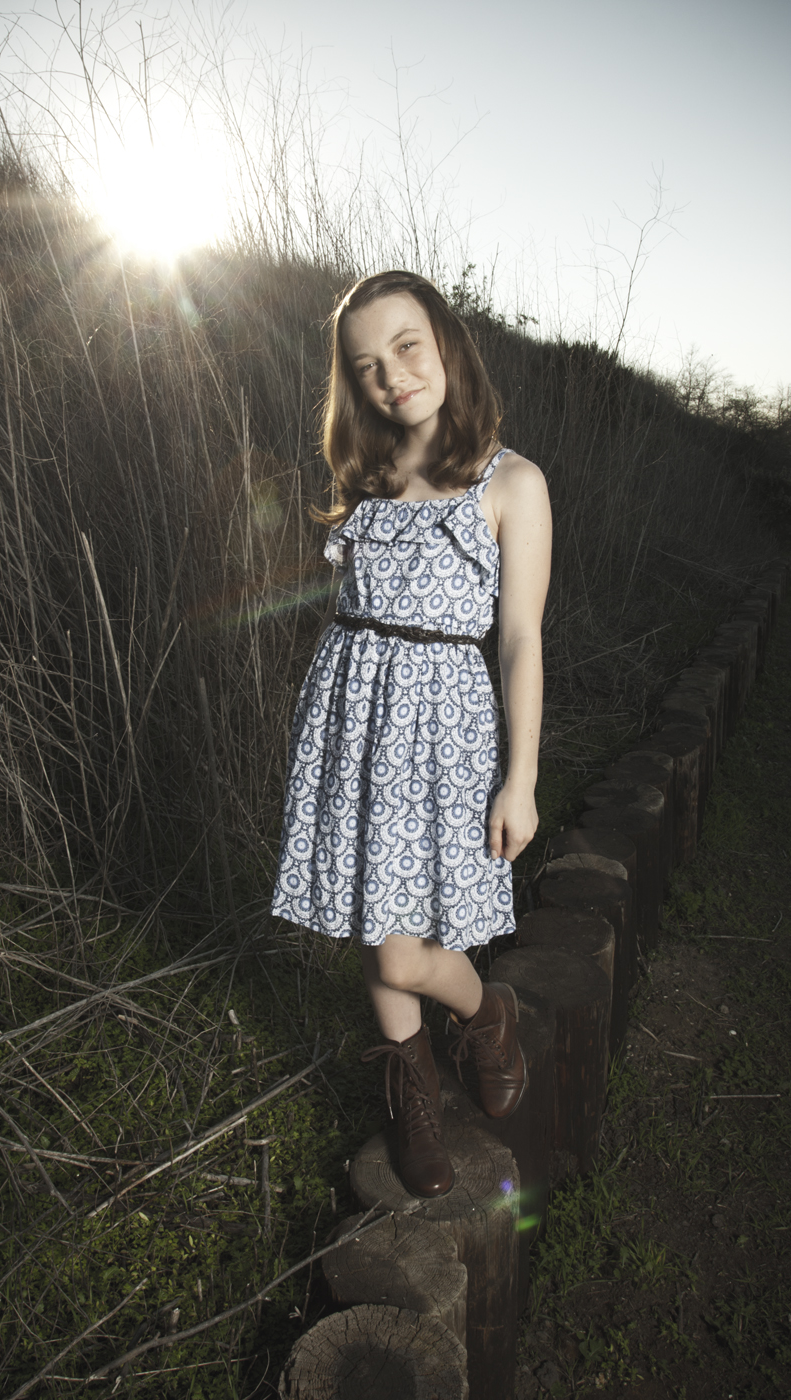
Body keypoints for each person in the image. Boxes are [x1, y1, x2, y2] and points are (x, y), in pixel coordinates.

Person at [271, 270, 551, 1197]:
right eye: (367, 366)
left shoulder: (511, 482)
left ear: (444, 344)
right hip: (351, 719)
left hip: (444, 733)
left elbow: (519, 638)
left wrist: (520, 778)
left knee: (404, 943)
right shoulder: (367, 478)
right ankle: (412, 1091)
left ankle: (483, 1010)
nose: (392, 376)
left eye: (405, 347)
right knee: (372, 918)